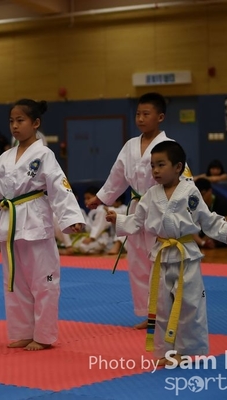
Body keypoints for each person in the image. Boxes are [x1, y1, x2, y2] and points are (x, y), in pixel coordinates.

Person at [0, 99, 85, 351]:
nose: (15, 126)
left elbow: (59, 186)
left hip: (36, 221)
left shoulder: (44, 154)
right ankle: (23, 332)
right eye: (12, 121)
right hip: (10, 225)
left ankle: (44, 335)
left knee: (43, 282)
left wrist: (71, 217)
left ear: (35, 123)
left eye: (21, 120)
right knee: (14, 283)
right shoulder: (3, 159)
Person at [106, 141, 227, 366]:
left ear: (178, 167)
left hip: (186, 255)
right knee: (160, 305)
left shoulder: (190, 191)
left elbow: (207, 219)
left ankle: (184, 351)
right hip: (161, 254)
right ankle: (165, 351)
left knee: (189, 304)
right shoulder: (150, 194)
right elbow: (137, 221)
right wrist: (118, 220)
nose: (155, 170)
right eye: (152, 166)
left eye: (161, 165)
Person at [85, 92, 193, 330]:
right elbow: (117, 176)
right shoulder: (130, 146)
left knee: (162, 262)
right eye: (138, 114)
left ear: (160, 117)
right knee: (137, 262)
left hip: (162, 209)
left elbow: (184, 179)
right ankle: (150, 314)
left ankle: (169, 312)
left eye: (146, 114)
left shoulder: (170, 146)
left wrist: (183, 208)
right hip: (137, 208)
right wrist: (101, 198)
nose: (141, 119)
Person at [192, 178, 227, 249]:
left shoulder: (222, 202)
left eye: (203, 194)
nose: (200, 198)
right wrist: (202, 242)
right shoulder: (195, 205)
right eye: (198, 195)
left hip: (215, 234)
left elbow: (225, 221)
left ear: (210, 191)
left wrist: (208, 238)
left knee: (223, 230)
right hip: (201, 234)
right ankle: (203, 243)